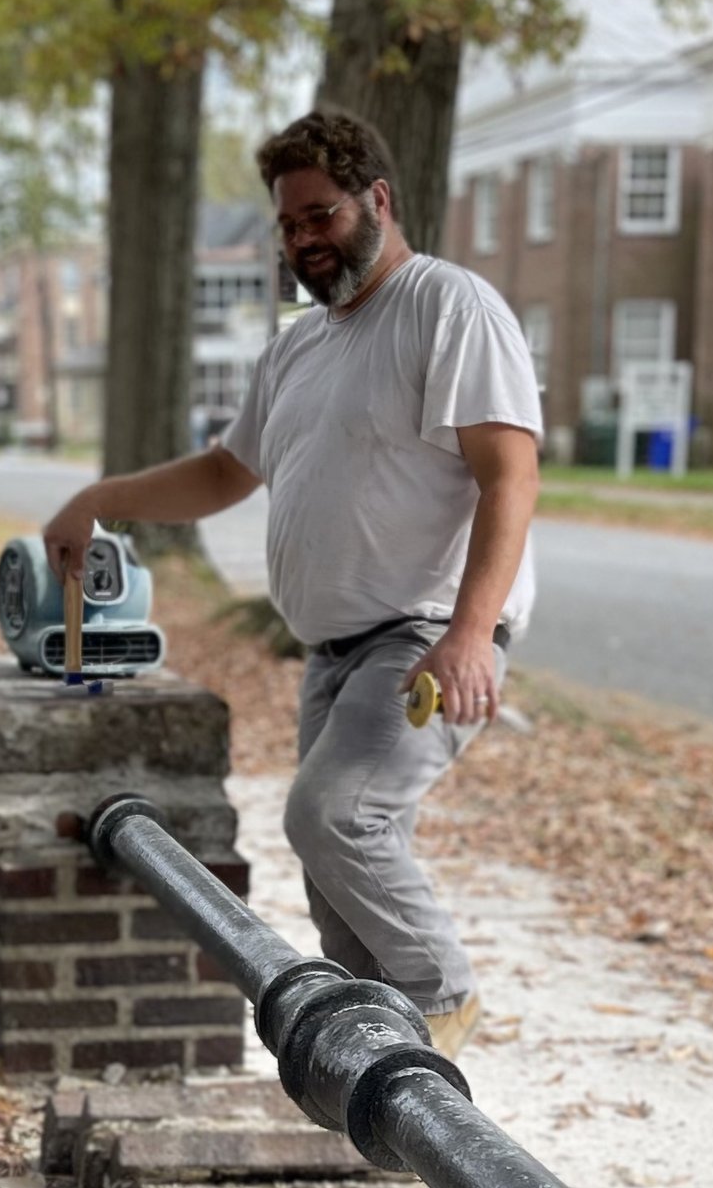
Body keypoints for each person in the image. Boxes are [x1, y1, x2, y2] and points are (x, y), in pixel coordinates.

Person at [42, 107, 540, 1055]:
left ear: (377, 201)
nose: (304, 239)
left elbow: (508, 472)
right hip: (335, 654)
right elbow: (228, 472)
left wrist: (472, 632)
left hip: (423, 639)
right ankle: (381, 1101)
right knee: (338, 910)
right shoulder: (298, 348)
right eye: (289, 224)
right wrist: (102, 495)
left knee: (335, 817)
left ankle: (441, 1004)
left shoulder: (447, 307)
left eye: (322, 215)